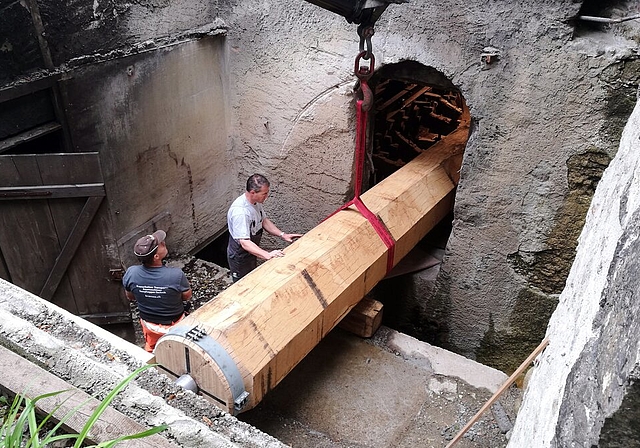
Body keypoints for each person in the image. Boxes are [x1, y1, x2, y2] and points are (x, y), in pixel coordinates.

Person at [123, 230, 192, 352]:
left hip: (149, 324)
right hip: (174, 323)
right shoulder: (176, 275)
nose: (163, 243)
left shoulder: (131, 273)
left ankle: (151, 352)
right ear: (156, 257)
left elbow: (131, 296)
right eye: (160, 244)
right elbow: (187, 296)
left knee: (151, 346)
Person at [227, 174, 302, 282]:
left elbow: (264, 221)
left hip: (251, 252)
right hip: (240, 255)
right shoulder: (240, 212)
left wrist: (283, 235)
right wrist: (268, 255)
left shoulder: (255, 202)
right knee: (243, 284)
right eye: (264, 194)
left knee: (252, 278)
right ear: (253, 192)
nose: (267, 197)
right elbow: (244, 242)